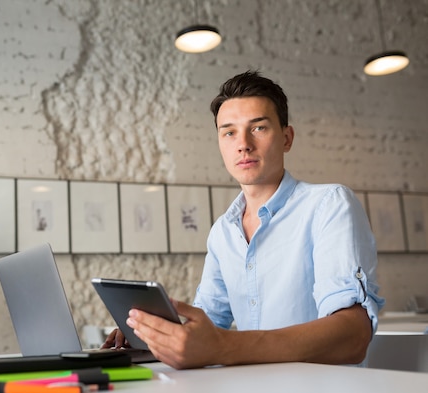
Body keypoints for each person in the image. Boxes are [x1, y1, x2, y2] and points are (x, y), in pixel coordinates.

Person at [102, 70, 384, 369]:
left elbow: (352, 337)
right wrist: (153, 334)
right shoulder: (222, 232)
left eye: (258, 128)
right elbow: (208, 322)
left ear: (286, 138)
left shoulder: (329, 205)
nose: (243, 144)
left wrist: (223, 347)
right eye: (229, 132)